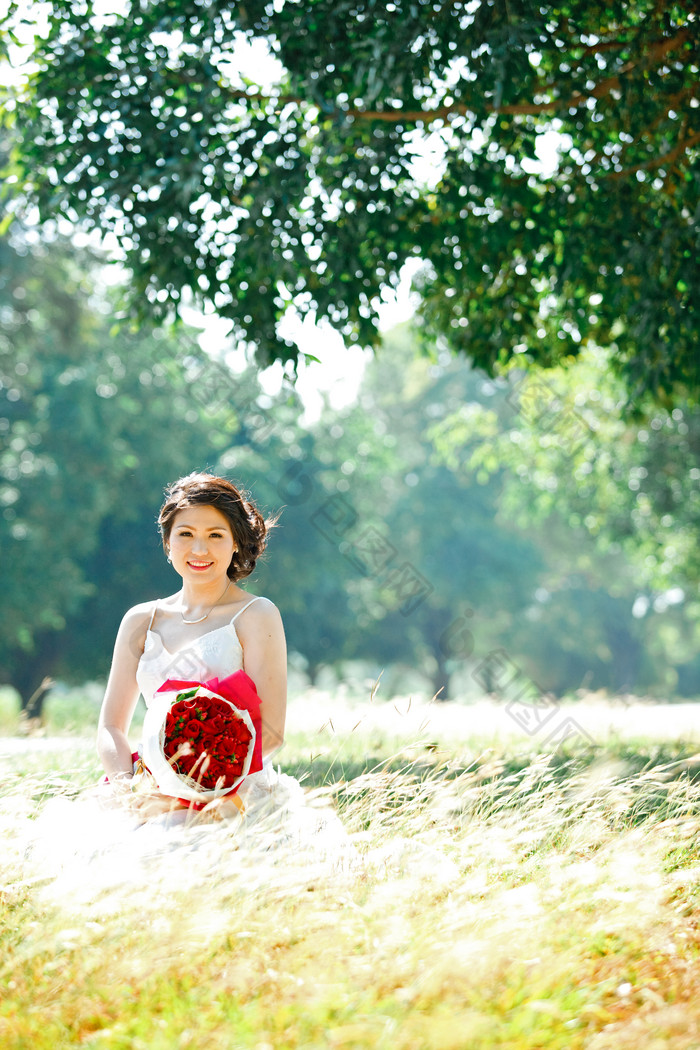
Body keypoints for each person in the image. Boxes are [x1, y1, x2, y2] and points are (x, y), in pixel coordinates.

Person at [97, 470, 288, 821]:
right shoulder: (140, 620)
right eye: (185, 534)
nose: (199, 549)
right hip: (146, 791)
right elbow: (110, 726)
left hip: (231, 796)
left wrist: (197, 793)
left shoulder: (256, 615)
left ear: (235, 542)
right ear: (168, 542)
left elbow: (272, 731)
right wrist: (129, 789)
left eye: (215, 535)